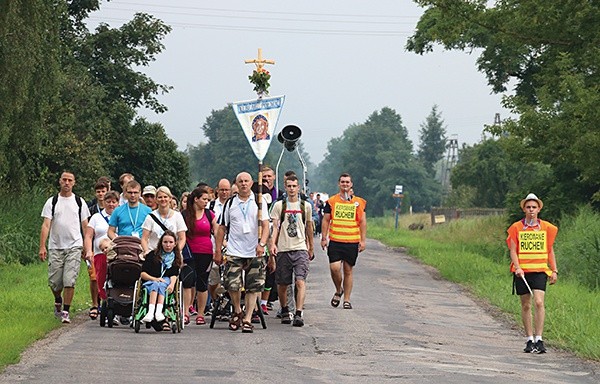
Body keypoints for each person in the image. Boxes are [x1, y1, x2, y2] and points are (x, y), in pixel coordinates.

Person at [214, 172, 270, 333]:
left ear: (251, 183)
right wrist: (218, 250)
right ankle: (238, 310)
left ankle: (247, 318)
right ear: (236, 184)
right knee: (232, 283)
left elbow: (266, 226)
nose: (244, 184)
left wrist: (262, 244)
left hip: (254, 250)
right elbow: (222, 228)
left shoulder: (259, 202)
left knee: (254, 286)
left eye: (246, 181)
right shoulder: (230, 203)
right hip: (234, 249)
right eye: (240, 181)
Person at [507, 193, 558, 354]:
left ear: (539, 209)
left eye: (534, 207)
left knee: (539, 302)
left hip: (540, 271)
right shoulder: (516, 228)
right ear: (524, 209)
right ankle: (529, 339)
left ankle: (539, 338)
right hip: (522, 272)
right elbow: (513, 250)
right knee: (526, 305)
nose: (531, 210)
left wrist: (554, 270)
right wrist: (517, 267)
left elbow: (550, 250)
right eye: (528, 207)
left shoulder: (546, 228)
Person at [39, 171, 91, 324]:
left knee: (69, 280)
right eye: (64, 180)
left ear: (74, 183)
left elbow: (85, 226)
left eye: (70, 180)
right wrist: (42, 246)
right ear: (60, 181)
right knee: (55, 282)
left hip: (74, 246)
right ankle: (57, 300)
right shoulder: (52, 202)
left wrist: (86, 248)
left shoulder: (80, 202)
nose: (67, 183)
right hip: (56, 246)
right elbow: (46, 224)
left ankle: (66, 311)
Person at [268, 175, 314, 327]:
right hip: (283, 248)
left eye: (294, 186)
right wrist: (272, 244)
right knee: (282, 284)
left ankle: (299, 313)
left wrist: (310, 246)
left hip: (300, 248)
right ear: (286, 187)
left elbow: (309, 226)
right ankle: (285, 309)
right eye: (289, 186)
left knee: (300, 280)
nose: (292, 189)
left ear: (298, 187)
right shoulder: (279, 206)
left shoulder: (305, 206)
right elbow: (275, 227)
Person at [320, 173, 367, 310]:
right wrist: (324, 238)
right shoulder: (331, 201)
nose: (345, 184)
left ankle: (346, 299)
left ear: (351, 184)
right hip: (335, 240)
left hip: (352, 241)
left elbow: (363, 222)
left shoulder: (359, 202)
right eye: (342, 182)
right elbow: (326, 220)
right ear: (338, 184)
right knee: (334, 268)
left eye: (347, 182)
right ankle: (338, 289)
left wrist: (363, 240)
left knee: (348, 270)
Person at [183, 187, 218, 325]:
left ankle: (201, 313)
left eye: (208, 200)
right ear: (196, 199)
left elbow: (216, 231)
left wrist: (222, 246)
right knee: (187, 281)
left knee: (202, 283)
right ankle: (185, 311)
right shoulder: (185, 215)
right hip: (188, 252)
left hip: (206, 252)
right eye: (204, 199)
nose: (206, 202)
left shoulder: (210, 215)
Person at [84, 190, 119, 320]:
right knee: (101, 280)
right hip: (100, 254)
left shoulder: (121, 216)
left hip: (117, 254)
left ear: (118, 203)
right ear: (104, 202)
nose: (111, 204)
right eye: (108, 201)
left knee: (116, 280)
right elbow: (88, 236)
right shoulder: (96, 218)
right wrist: (88, 251)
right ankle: (105, 304)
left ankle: (116, 306)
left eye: (114, 202)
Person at [140, 231, 182, 332]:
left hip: (166, 281)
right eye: (165, 242)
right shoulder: (152, 255)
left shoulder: (175, 258)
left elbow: (174, 274)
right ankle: (151, 311)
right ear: (161, 243)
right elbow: (142, 274)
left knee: (162, 284)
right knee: (156, 284)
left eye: (171, 242)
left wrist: (172, 285)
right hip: (151, 280)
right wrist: (154, 279)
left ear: (175, 244)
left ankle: (158, 311)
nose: (168, 245)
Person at [141, 186, 187, 256]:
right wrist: (146, 251)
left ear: (170, 198)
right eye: (160, 197)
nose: (163, 199)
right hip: (154, 254)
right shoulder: (150, 217)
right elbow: (144, 238)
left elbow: (182, 238)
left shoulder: (177, 216)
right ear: (156, 199)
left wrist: (176, 252)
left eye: (165, 197)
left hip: (172, 255)